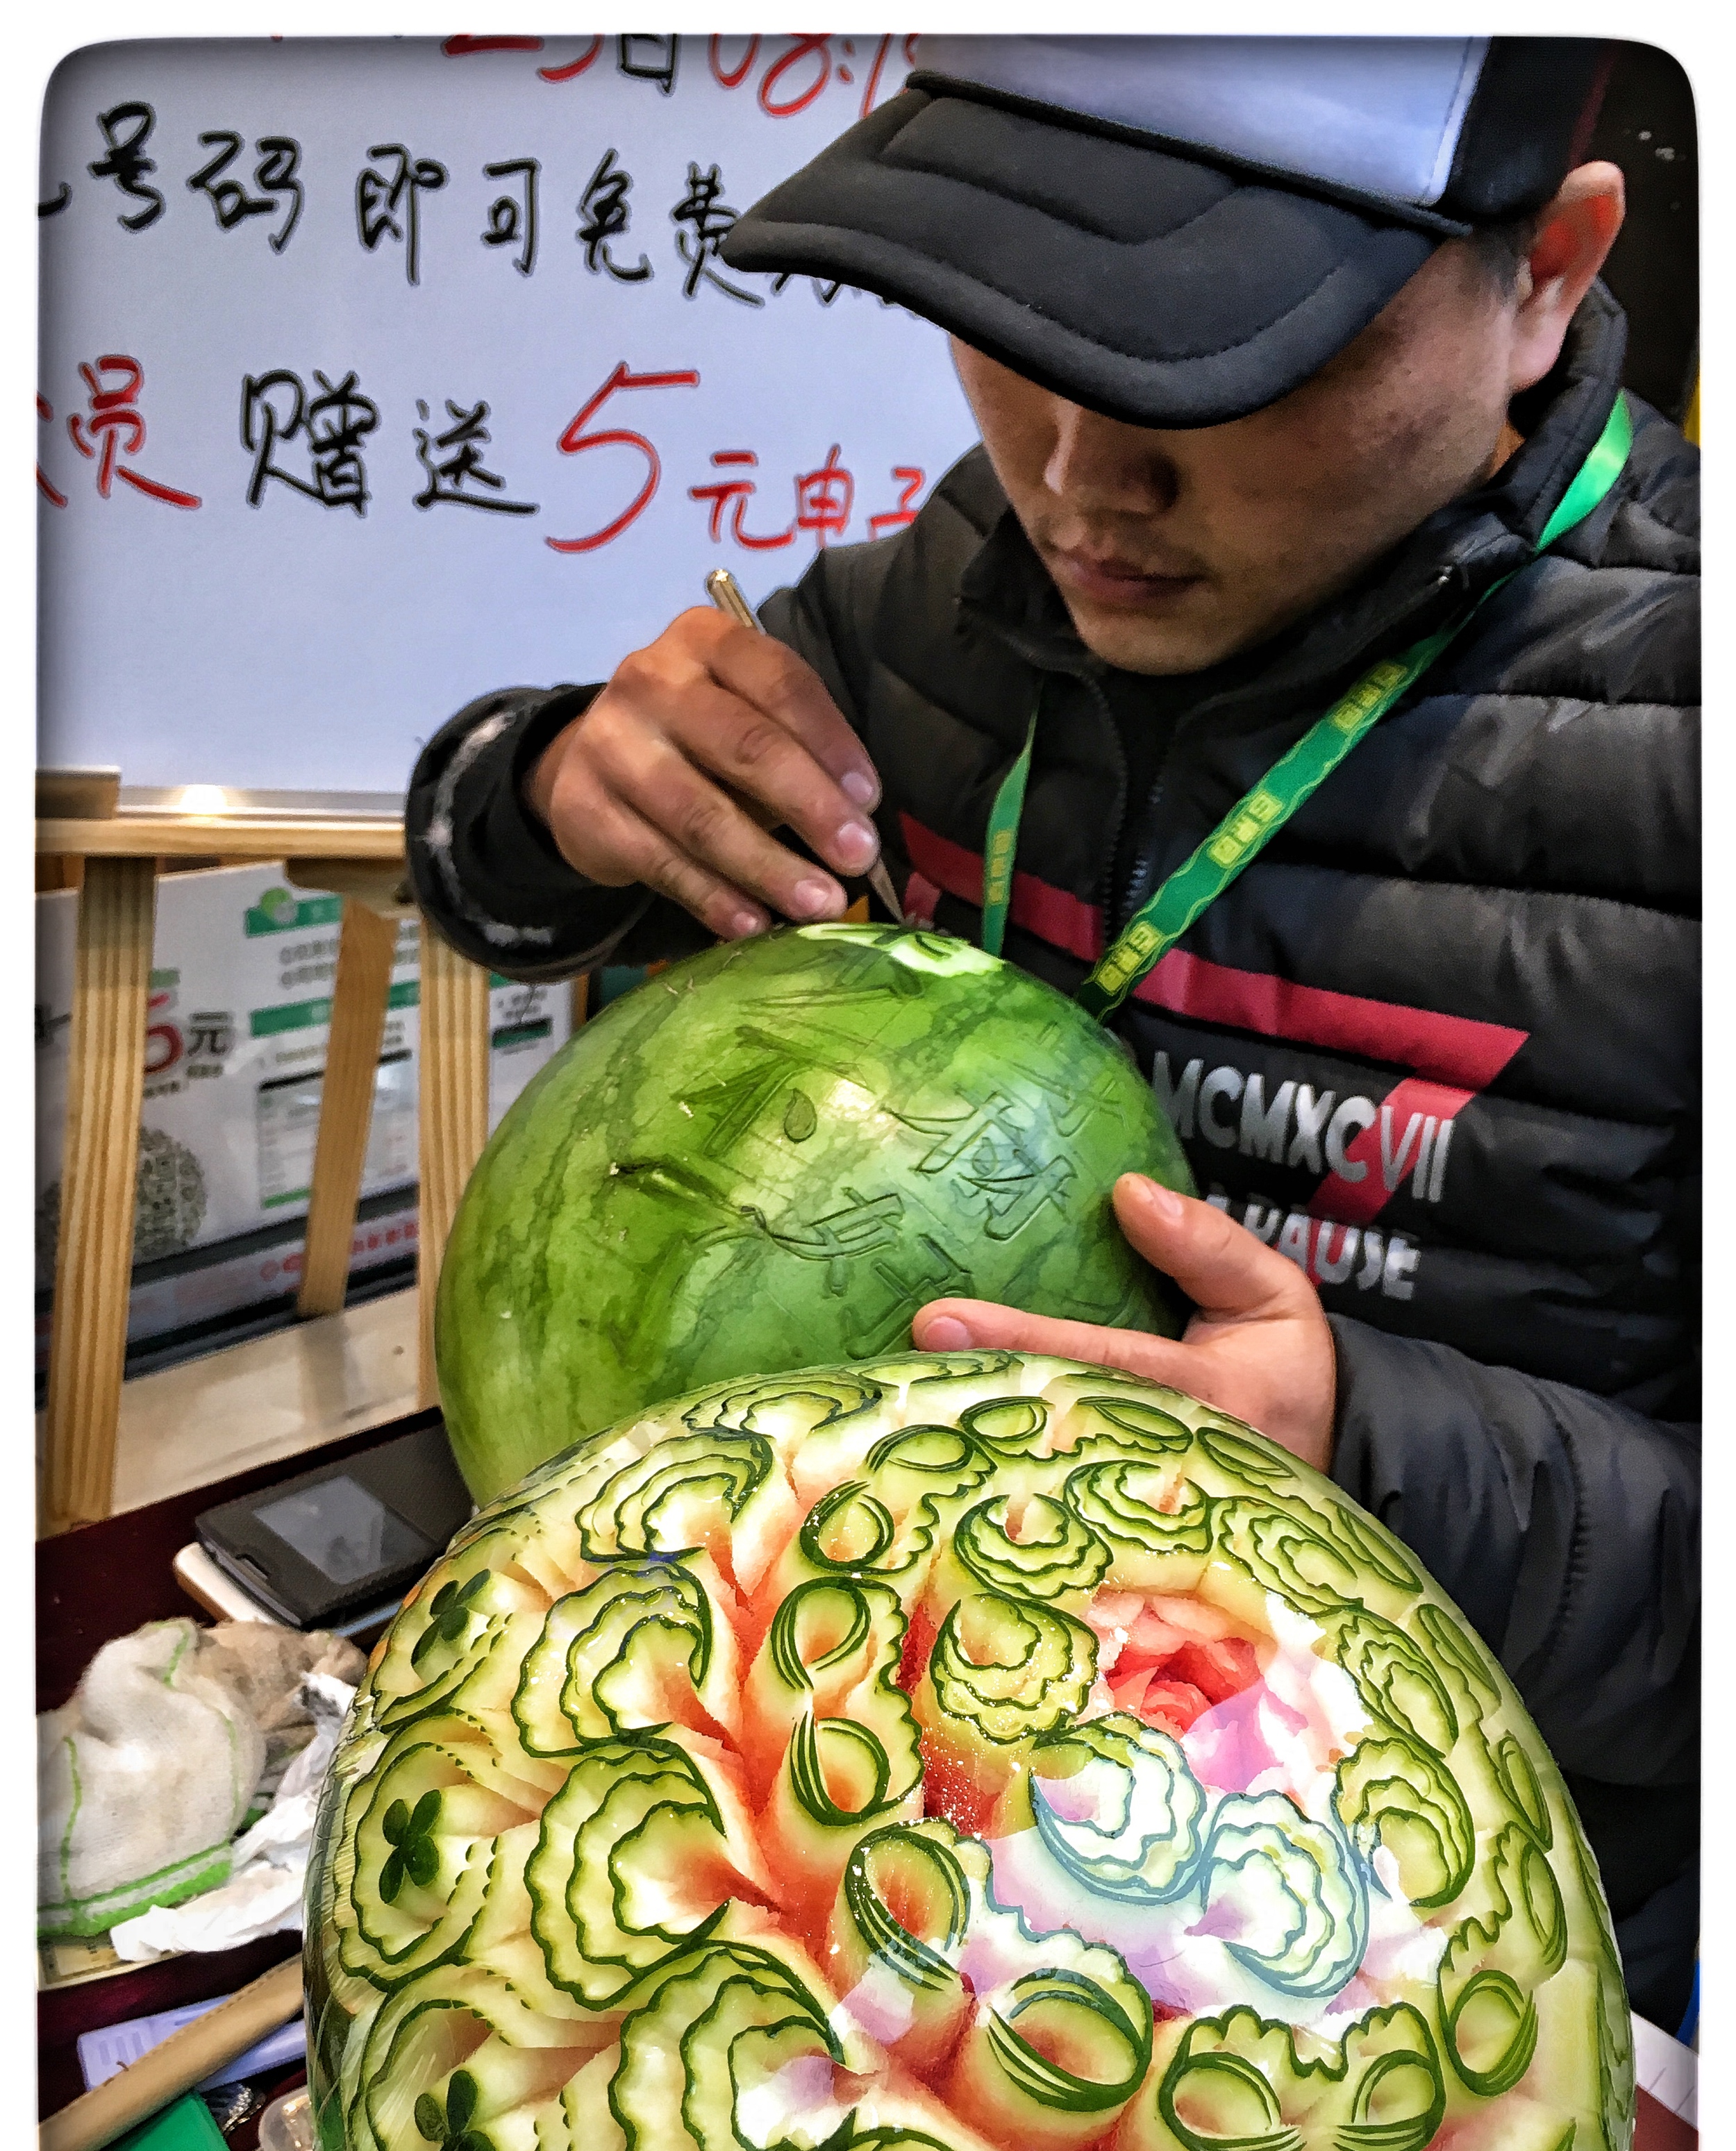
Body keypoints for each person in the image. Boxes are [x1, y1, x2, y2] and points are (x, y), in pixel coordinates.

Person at [406, 35, 1698, 2029]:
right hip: (845, 1841)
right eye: (1010, 324)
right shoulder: (926, 618)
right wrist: (541, 787)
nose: (1079, 487)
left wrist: (1366, 1450)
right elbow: (517, 867)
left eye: (1223, 358)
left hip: (1397, 1949)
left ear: (1544, 266)